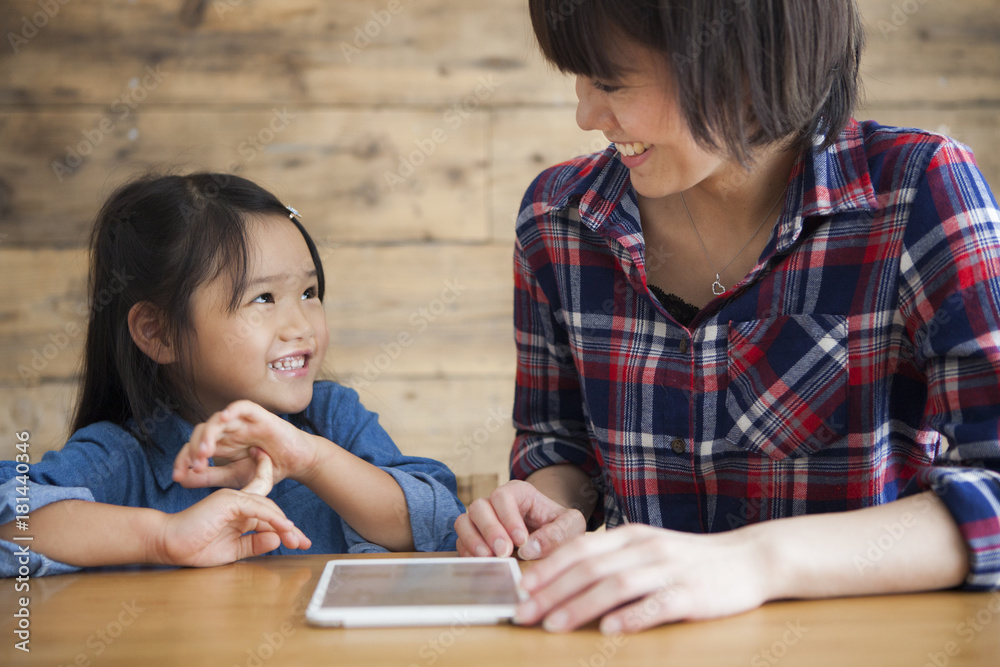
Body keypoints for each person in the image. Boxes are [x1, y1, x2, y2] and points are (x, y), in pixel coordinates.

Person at [455, 0, 1000, 634]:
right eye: (577, 78)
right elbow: (559, 446)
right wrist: (546, 506)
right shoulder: (559, 220)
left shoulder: (916, 192)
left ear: (741, 65)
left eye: (609, 82)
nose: (585, 115)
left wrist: (751, 563)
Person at [0, 172, 463, 576]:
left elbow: (440, 525)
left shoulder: (333, 420)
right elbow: (12, 521)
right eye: (263, 299)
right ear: (158, 332)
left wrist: (311, 459)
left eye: (309, 291)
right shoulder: (123, 456)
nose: (301, 326)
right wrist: (162, 537)